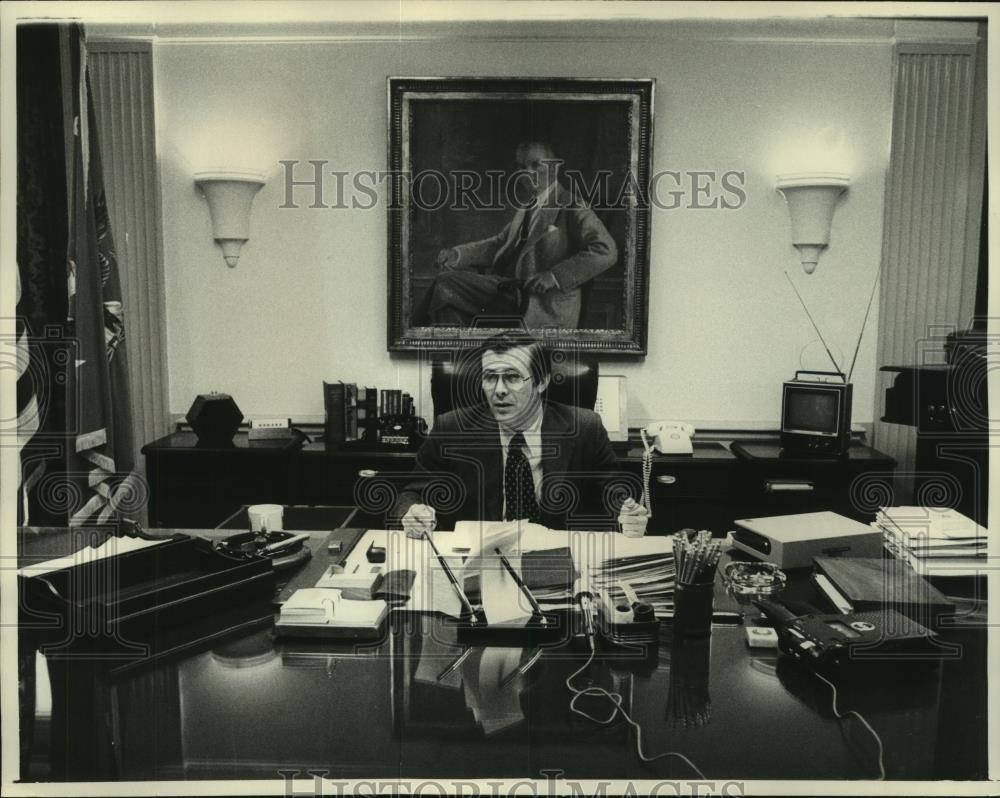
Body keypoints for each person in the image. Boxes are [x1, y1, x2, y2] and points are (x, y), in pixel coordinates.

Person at [394, 331, 631, 534]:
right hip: (481, 556)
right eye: (489, 378)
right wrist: (412, 513)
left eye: (512, 377)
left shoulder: (585, 428)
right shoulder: (452, 429)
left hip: (555, 556)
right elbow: (412, 493)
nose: (499, 390)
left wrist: (626, 513)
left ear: (542, 382)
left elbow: (612, 490)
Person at [413, 142, 618, 329]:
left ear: (555, 167)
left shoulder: (572, 205)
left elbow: (606, 251)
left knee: (445, 283)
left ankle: (413, 336)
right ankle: (456, 357)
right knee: (447, 307)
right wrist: (456, 254)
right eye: (522, 167)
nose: (528, 172)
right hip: (510, 292)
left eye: (536, 164)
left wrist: (555, 276)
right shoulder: (528, 207)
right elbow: (499, 243)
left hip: (542, 304)